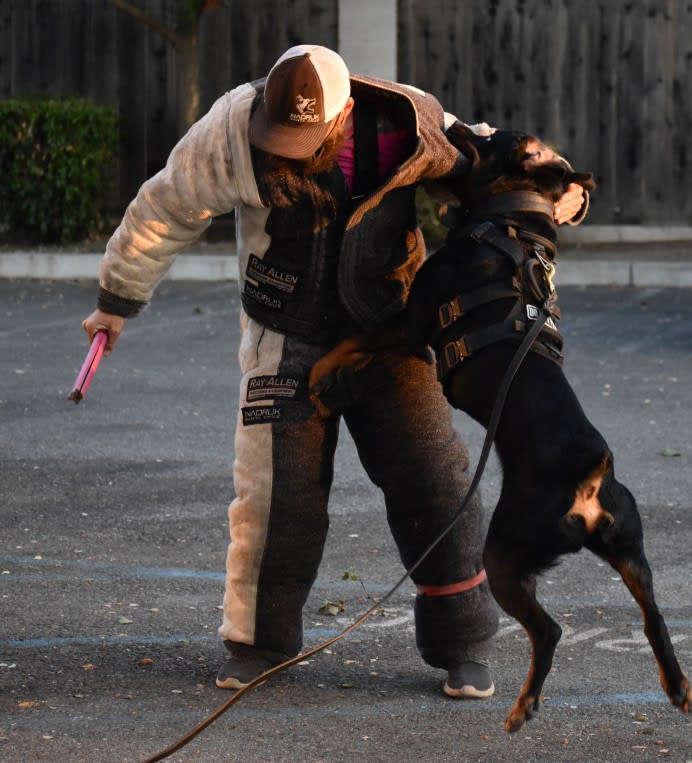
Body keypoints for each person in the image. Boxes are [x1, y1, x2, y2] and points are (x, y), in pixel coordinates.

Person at [81, 44, 587, 699]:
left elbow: (495, 158)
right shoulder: (233, 129)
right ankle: (258, 644)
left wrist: (555, 194)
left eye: (306, 134)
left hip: (390, 331)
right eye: (280, 133)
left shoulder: (414, 123)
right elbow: (165, 208)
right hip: (283, 335)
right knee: (274, 498)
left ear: (346, 110)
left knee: (436, 479)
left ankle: (463, 645)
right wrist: (115, 301)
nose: (289, 147)